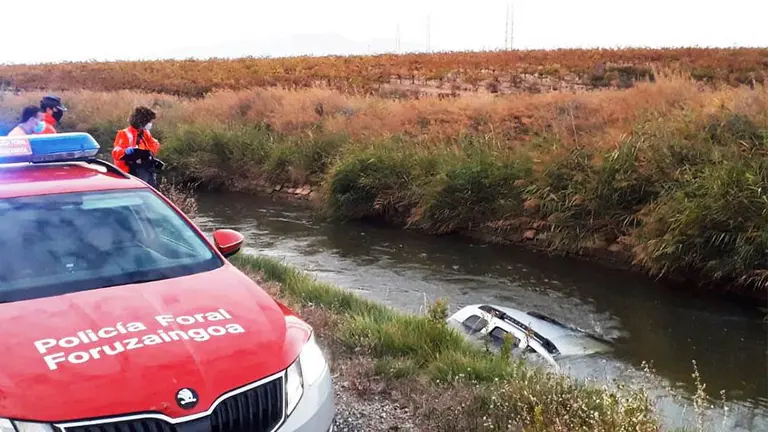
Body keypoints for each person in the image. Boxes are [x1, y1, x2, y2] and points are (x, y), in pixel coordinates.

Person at [112, 106, 163, 187]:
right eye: (149, 121)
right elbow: (116, 152)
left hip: (146, 169)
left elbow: (155, 144)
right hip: (129, 172)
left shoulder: (145, 133)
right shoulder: (124, 134)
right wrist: (125, 151)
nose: (150, 124)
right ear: (142, 122)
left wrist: (148, 154)